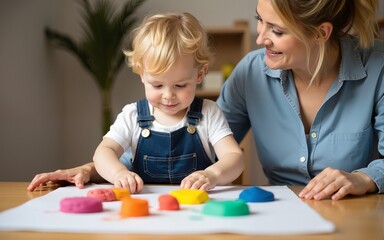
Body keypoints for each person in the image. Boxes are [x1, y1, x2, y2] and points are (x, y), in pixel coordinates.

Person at [28, 12, 244, 194]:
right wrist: (118, 173)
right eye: (157, 86)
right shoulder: (132, 115)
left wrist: (212, 174)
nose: (168, 95)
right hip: (144, 211)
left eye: (180, 85)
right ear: (141, 73)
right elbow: (103, 153)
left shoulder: (208, 112)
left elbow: (234, 158)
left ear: (200, 74)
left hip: (195, 209)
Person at [216, 0, 384, 200]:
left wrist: (364, 178)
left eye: (277, 31)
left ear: (321, 33)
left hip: (358, 214)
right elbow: (207, 143)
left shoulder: (378, 66)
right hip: (279, 212)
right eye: (259, 19)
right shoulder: (250, 72)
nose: (260, 39)